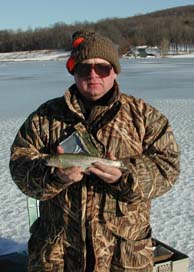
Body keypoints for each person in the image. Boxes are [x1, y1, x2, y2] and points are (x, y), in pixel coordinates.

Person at [9, 30, 180, 272]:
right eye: (83, 68)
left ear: (114, 71)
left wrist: (125, 176)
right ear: (73, 72)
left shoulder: (145, 117)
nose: (92, 75)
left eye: (102, 68)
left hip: (123, 254)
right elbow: (20, 164)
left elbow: (167, 167)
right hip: (58, 256)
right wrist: (54, 177)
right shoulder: (44, 117)